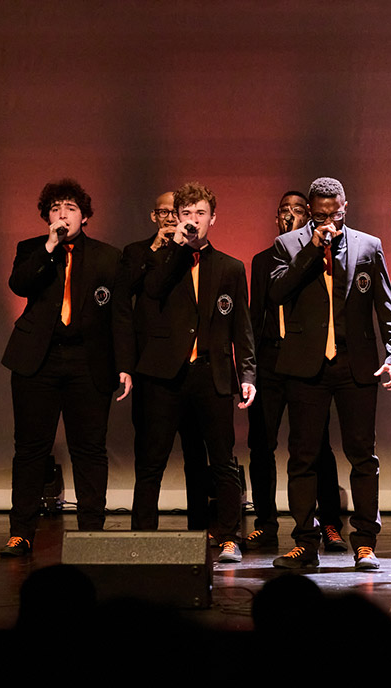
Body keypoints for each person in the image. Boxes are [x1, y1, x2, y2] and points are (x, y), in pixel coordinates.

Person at [270, 177, 391, 571]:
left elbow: (386, 305)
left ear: (345, 207)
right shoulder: (289, 245)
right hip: (306, 366)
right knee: (303, 457)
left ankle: (365, 542)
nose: (329, 220)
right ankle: (305, 542)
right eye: (321, 214)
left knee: (363, 456)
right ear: (310, 212)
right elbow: (277, 292)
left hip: (354, 363)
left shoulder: (368, 245)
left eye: (335, 213)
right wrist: (312, 249)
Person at [130, 181, 256, 564]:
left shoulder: (231, 267)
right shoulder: (160, 259)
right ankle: (142, 539)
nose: (193, 221)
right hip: (166, 378)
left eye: (200, 214)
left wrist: (247, 374)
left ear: (213, 219)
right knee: (152, 461)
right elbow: (151, 291)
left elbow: (242, 325)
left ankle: (229, 536)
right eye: (186, 214)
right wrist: (177, 251)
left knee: (222, 460)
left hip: (211, 374)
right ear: (176, 218)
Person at [1, 179, 125, 557]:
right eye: (55, 209)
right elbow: (19, 285)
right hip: (38, 360)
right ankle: (21, 532)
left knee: (89, 449)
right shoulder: (31, 250)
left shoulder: (108, 256)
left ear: (84, 216)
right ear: (46, 217)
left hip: (88, 362)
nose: (62, 214)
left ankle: (91, 533)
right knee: (30, 449)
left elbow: (120, 316)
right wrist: (49, 246)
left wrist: (125, 365)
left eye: (70, 208)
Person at [245, 190, 346, 553]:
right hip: (272, 358)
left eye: (298, 209)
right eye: (283, 210)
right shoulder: (261, 260)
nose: (291, 214)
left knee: (316, 445)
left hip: (308, 358)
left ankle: (330, 523)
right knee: (261, 443)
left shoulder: (326, 256)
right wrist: (250, 368)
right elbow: (256, 315)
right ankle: (265, 523)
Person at [113, 192, 214, 534]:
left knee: (197, 457)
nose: (172, 218)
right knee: (150, 456)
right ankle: (143, 533)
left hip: (192, 367)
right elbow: (125, 297)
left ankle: (200, 529)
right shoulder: (139, 252)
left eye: (177, 212)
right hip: (154, 368)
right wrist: (160, 248)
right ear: (154, 216)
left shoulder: (195, 252)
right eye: (165, 212)